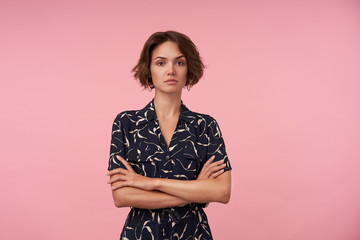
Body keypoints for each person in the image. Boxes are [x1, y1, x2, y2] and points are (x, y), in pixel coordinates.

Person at [107, 30, 232, 240]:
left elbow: (221, 192)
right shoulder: (126, 123)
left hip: (194, 234)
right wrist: (193, 193)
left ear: (189, 69)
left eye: (180, 63)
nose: (171, 71)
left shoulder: (205, 126)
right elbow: (121, 196)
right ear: (149, 69)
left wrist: (150, 183)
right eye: (161, 63)